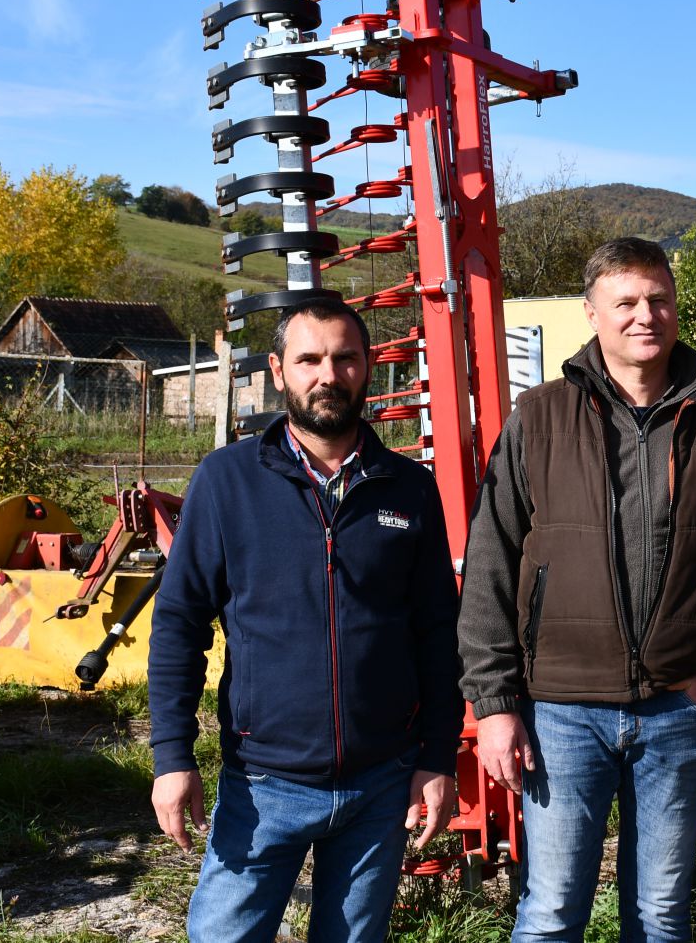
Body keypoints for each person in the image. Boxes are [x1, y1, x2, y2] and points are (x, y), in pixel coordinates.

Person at [459, 237, 696, 943]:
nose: (646, 315)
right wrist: (493, 704)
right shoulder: (540, 418)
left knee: (661, 914)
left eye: (658, 299)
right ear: (592, 313)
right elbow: (491, 561)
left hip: (680, 705)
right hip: (561, 711)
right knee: (551, 911)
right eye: (626, 302)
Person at [148, 298, 462, 943]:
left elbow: (437, 632)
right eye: (309, 359)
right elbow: (179, 625)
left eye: (345, 359)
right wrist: (171, 757)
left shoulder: (408, 487)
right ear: (278, 370)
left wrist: (437, 757)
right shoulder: (227, 482)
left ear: (368, 366)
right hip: (264, 785)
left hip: (382, 783)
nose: (329, 375)